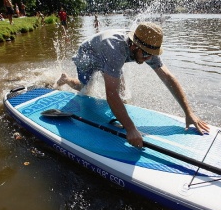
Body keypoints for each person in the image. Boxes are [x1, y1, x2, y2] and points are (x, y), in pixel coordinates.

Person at [56, 22, 210, 148]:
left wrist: (188, 112)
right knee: (84, 88)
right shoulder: (115, 50)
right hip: (88, 55)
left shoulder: (147, 47)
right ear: (134, 46)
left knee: (121, 91)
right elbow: (110, 94)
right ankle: (66, 79)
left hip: (109, 56)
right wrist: (130, 128)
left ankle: (120, 109)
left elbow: (168, 77)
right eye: (145, 55)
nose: (148, 59)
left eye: (151, 55)